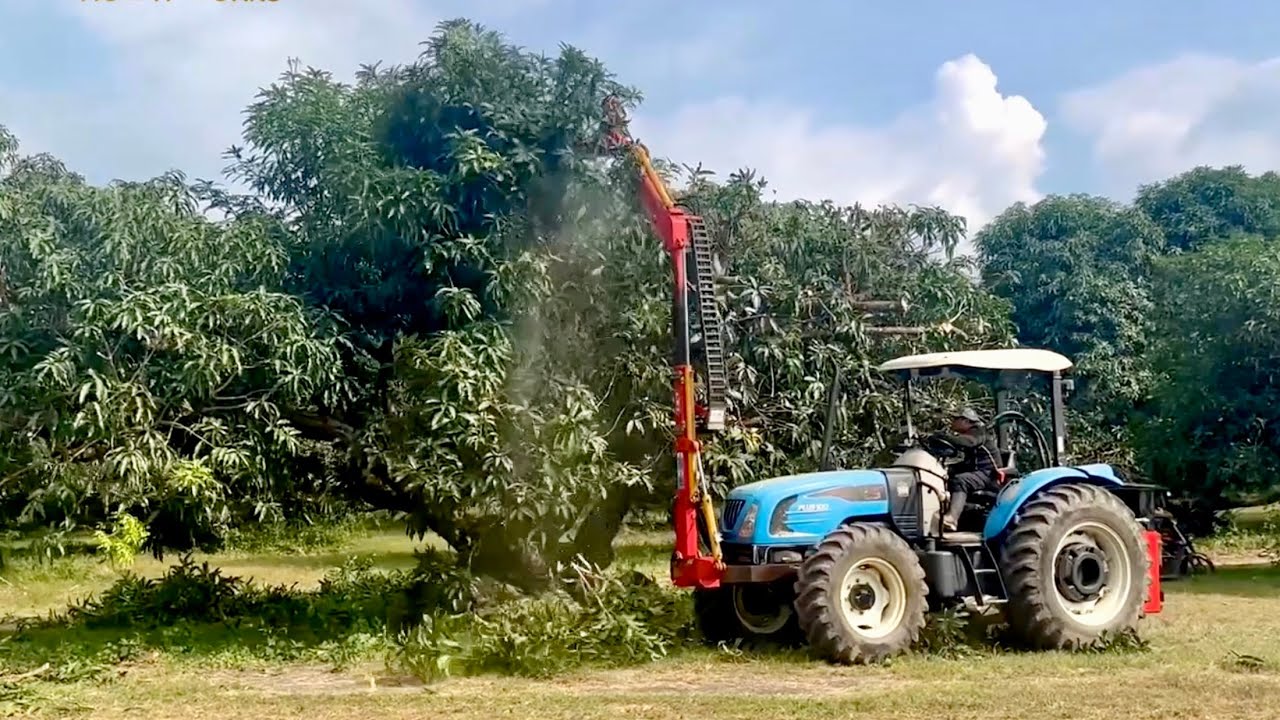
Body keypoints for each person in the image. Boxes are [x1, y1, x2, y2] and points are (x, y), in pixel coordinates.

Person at [933, 407, 1000, 532]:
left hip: (989, 474)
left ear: (966, 421)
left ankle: (952, 519)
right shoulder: (968, 434)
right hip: (978, 473)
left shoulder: (978, 432)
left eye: (955, 419)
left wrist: (944, 437)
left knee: (960, 480)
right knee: (943, 475)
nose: (952, 422)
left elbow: (968, 442)